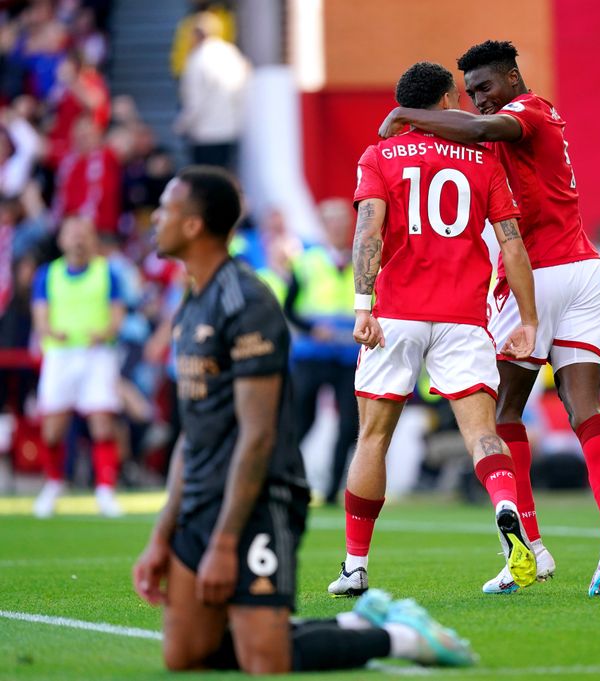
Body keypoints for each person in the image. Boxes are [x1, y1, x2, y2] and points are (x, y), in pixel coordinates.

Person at [132, 166, 475, 673]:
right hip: (202, 500)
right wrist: (163, 534)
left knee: (265, 660)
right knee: (186, 654)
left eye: (167, 207)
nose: (155, 217)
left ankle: (398, 637)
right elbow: (193, 434)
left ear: (193, 226)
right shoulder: (191, 305)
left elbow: (258, 433)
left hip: (257, 501)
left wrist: (226, 541)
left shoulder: (246, 303)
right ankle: (359, 622)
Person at [379, 40, 600, 597]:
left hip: (541, 277)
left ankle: (534, 548)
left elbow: (478, 133)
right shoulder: (520, 121)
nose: (478, 102)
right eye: (470, 93)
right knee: (581, 405)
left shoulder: (528, 112)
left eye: (485, 88)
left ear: (513, 78)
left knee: (502, 412)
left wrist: (407, 115)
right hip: (582, 270)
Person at [328, 61, 540, 598]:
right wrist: (529, 318)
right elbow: (512, 243)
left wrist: (362, 305)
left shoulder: (378, 156)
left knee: (372, 437)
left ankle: (355, 566)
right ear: (446, 98)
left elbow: (368, 228)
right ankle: (507, 509)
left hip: (395, 314)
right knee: (481, 434)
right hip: (463, 317)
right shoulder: (483, 158)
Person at [31, 215, 125, 518]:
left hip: (96, 355)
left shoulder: (107, 272)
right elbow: (40, 316)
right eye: (72, 233)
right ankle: (54, 483)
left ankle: (105, 489)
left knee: (102, 421)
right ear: (61, 240)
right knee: (52, 430)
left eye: (84, 233)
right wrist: (50, 331)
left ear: (93, 238)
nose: (78, 239)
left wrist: (105, 332)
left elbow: (117, 315)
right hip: (60, 356)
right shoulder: (48, 274)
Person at [283, 199, 359, 505]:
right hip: (312, 355)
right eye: (334, 223)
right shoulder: (306, 261)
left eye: (344, 223)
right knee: (302, 420)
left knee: (349, 426)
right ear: (324, 226)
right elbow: (289, 308)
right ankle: (284, 479)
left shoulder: (363, 259)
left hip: (349, 356)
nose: (340, 228)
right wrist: (313, 330)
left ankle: (331, 492)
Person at [174, 12, 249, 168]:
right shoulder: (231, 53)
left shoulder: (197, 59)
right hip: (229, 130)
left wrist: (183, 124)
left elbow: (195, 101)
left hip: (205, 133)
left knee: (205, 181)